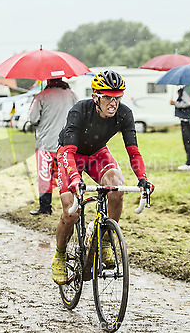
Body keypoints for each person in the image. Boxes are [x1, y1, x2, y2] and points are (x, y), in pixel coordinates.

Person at [51, 70, 154, 285]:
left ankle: (105, 239)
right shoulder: (79, 110)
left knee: (117, 187)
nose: (113, 103)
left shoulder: (124, 114)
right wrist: (74, 179)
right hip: (71, 154)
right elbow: (68, 152)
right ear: (96, 97)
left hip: (97, 153)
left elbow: (133, 152)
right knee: (72, 212)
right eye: (108, 97)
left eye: (118, 97)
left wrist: (142, 178)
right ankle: (60, 255)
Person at [28, 78, 78, 215]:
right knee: (68, 174)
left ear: (49, 80)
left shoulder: (41, 96)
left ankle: (45, 208)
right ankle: (72, 207)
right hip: (67, 143)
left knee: (45, 176)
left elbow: (33, 119)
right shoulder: (72, 95)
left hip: (46, 143)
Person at [171, 87, 190, 170]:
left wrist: (175, 103)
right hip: (187, 119)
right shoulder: (189, 89)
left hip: (186, 120)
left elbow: (187, 103)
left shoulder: (186, 91)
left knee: (188, 141)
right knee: (189, 141)